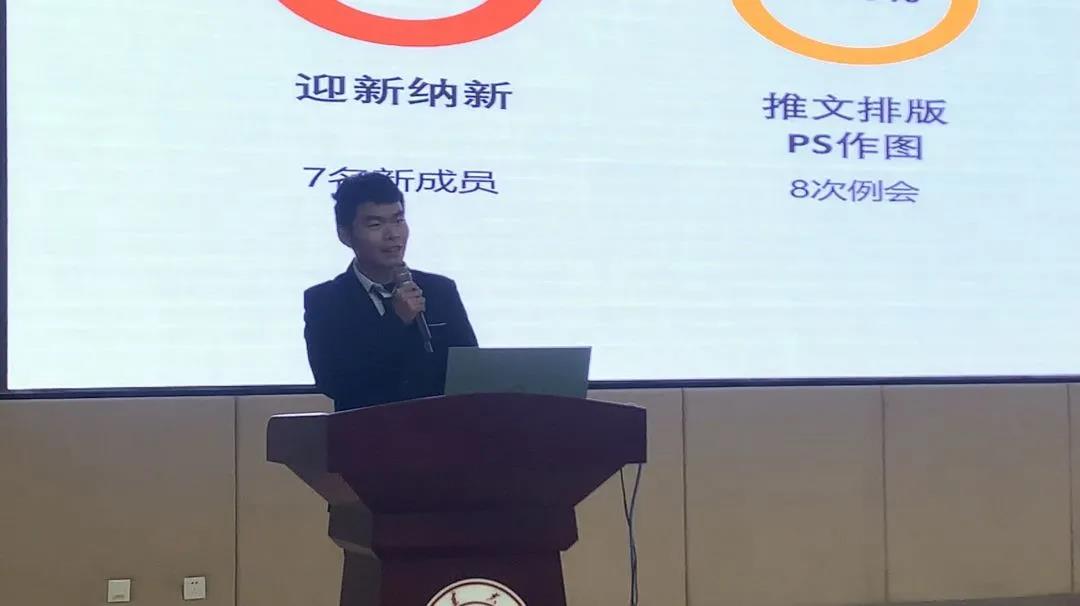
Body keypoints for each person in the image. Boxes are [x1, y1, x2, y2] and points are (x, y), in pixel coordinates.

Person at [303, 172, 477, 410]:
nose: (393, 234)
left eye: (398, 220)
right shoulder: (325, 301)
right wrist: (395, 322)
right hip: (365, 430)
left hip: (438, 428)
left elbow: (469, 370)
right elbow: (333, 381)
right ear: (344, 234)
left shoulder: (440, 291)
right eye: (376, 224)